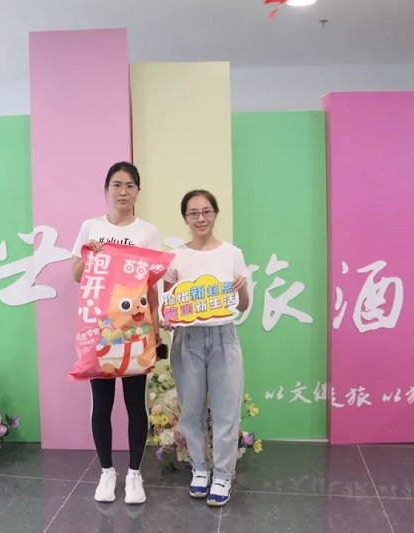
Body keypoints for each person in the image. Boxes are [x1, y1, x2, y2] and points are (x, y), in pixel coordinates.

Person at [72, 161, 161, 505]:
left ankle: (134, 475)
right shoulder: (90, 227)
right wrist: (88, 255)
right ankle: (107, 472)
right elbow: (76, 275)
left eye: (130, 186)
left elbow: (151, 285)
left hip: (136, 332)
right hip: (100, 332)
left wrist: (155, 328)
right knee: (102, 404)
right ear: (106, 189)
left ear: (138, 191)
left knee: (136, 404)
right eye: (117, 185)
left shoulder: (147, 232)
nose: (123, 192)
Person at [162, 189, 250, 507]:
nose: (201, 218)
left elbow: (243, 304)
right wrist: (167, 319)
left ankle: (223, 475)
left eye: (206, 212)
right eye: (193, 213)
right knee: (191, 410)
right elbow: (168, 305)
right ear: (185, 218)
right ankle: (200, 469)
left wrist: (241, 289)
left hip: (224, 336)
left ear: (215, 214)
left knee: (227, 410)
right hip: (188, 340)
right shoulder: (176, 257)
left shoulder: (232, 254)